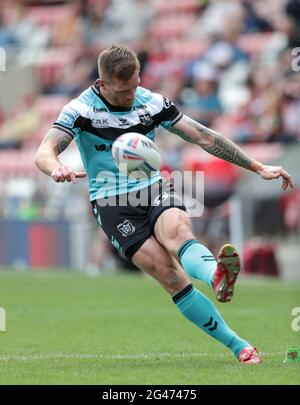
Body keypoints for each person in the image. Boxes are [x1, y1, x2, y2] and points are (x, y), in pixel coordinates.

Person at [35, 45, 294, 364]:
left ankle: (217, 276)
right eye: (122, 91)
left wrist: (256, 166)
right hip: (112, 203)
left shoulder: (151, 102)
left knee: (180, 233)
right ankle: (238, 345)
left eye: (134, 86)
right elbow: (44, 151)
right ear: (103, 84)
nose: (131, 95)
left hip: (152, 186)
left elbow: (204, 137)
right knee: (170, 275)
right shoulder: (81, 110)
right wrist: (55, 167)